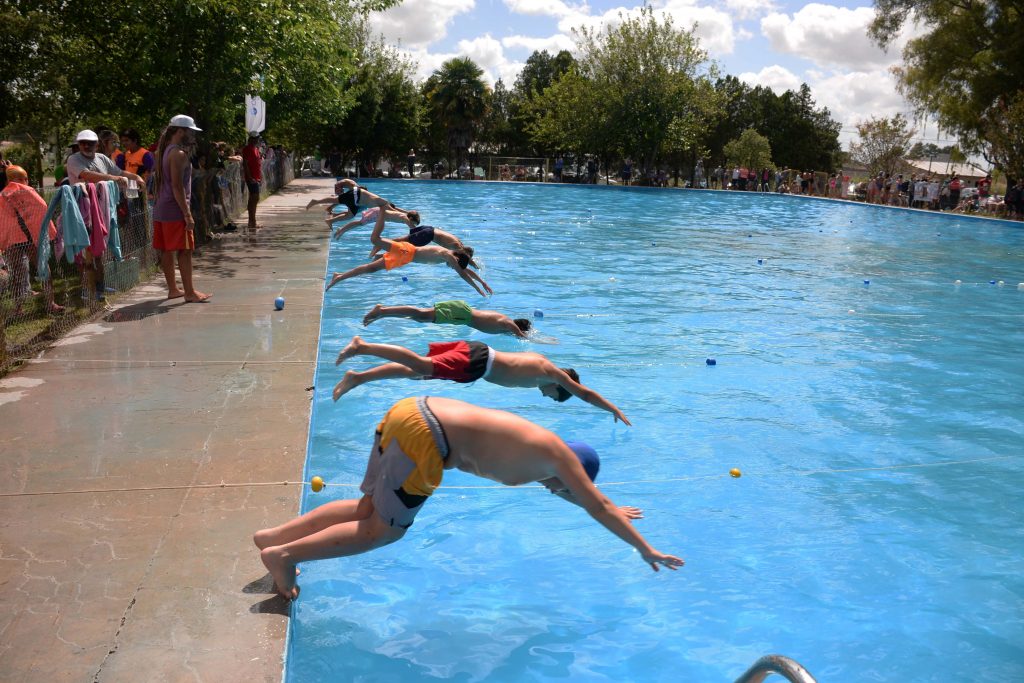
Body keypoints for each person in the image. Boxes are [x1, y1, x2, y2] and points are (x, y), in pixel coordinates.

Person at [254, 396, 679, 598]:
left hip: (408, 414)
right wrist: (646, 549)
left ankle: (274, 536)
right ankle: (286, 556)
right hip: (427, 441)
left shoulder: (545, 452)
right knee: (382, 531)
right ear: (571, 476)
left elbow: (586, 499)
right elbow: (595, 505)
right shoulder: (556, 462)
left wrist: (600, 503)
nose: (556, 491)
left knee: (366, 507)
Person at [332, 335, 631, 424]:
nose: (545, 396)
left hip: (478, 358)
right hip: (477, 362)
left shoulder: (542, 372)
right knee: (421, 365)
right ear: (560, 385)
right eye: (553, 395)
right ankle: (363, 347)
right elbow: (586, 394)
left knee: (417, 373)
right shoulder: (548, 372)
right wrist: (613, 408)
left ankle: (358, 378)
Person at [325, 203, 491, 296]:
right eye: (455, 265)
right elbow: (463, 273)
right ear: (457, 259)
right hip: (406, 253)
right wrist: (478, 288)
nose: (452, 268)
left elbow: (464, 270)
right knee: (375, 241)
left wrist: (482, 282)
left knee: (371, 268)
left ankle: (339, 276)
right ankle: (382, 210)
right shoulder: (449, 255)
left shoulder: (452, 255)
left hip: (406, 256)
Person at [151, 114, 211, 303]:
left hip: (162, 208)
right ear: (179, 131)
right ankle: (189, 292)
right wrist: (187, 215)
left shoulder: (164, 151)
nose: (193, 135)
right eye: (190, 131)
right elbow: (177, 187)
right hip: (175, 210)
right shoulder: (179, 154)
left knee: (166, 250)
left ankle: (173, 290)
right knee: (185, 250)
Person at [363, 301, 531, 338]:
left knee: (420, 319)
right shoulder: (509, 324)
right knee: (421, 315)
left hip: (462, 315)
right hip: (462, 314)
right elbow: (523, 338)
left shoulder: (506, 323)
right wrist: (547, 342)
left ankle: (383, 313)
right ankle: (382, 310)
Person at [366, 222, 477, 266]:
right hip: (428, 235)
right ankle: (380, 246)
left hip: (429, 229)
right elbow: (465, 258)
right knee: (405, 250)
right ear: (465, 252)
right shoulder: (458, 247)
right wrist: (476, 266)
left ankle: (380, 246)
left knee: (403, 241)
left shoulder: (458, 242)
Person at [329, 206, 419, 238]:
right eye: (413, 222)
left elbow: (398, 209)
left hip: (378, 213)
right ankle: (341, 229)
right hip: (377, 214)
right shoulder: (404, 217)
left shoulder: (404, 214)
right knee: (359, 223)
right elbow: (412, 227)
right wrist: (420, 233)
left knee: (359, 223)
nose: (412, 223)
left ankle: (342, 230)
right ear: (410, 218)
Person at [242, 131, 263, 231]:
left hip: (257, 177)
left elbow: (258, 164)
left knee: (255, 199)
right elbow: (245, 164)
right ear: (251, 139)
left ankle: (252, 221)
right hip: (251, 178)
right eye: (255, 138)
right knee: (254, 198)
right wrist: (249, 177)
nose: (257, 140)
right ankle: (252, 222)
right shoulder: (247, 149)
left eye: (257, 138)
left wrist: (260, 177)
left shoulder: (256, 149)